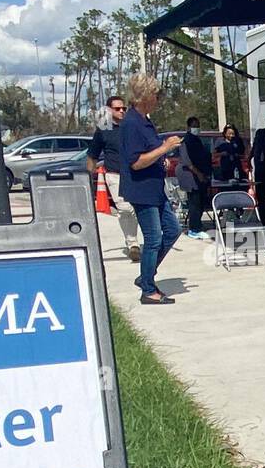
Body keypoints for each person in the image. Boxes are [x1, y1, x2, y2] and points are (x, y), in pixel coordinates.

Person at [121, 72, 183, 305]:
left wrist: (160, 158)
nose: (158, 99)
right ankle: (148, 289)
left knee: (173, 229)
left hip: (155, 189)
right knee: (153, 237)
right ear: (145, 96)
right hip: (142, 190)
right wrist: (164, 148)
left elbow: (149, 153)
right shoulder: (131, 123)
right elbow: (136, 162)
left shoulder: (145, 121)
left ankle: (146, 274)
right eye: (156, 95)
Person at [87, 94, 141, 261]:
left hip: (135, 174)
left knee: (137, 209)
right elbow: (92, 155)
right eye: (117, 108)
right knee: (125, 208)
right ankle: (132, 244)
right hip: (114, 175)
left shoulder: (132, 127)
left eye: (123, 108)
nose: (122, 111)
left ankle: (144, 239)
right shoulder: (104, 131)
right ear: (109, 111)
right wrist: (88, 179)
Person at [179, 115, 214, 238]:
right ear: (188, 127)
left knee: (200, 201)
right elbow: (187, 162)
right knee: (194, 202)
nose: (196, 128)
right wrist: (198, 173)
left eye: (198, 126)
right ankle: (194, 229)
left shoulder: (197, 140)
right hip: (191, 176)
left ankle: (198, 225)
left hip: (201, 175)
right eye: (194, 126)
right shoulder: (186, 141)